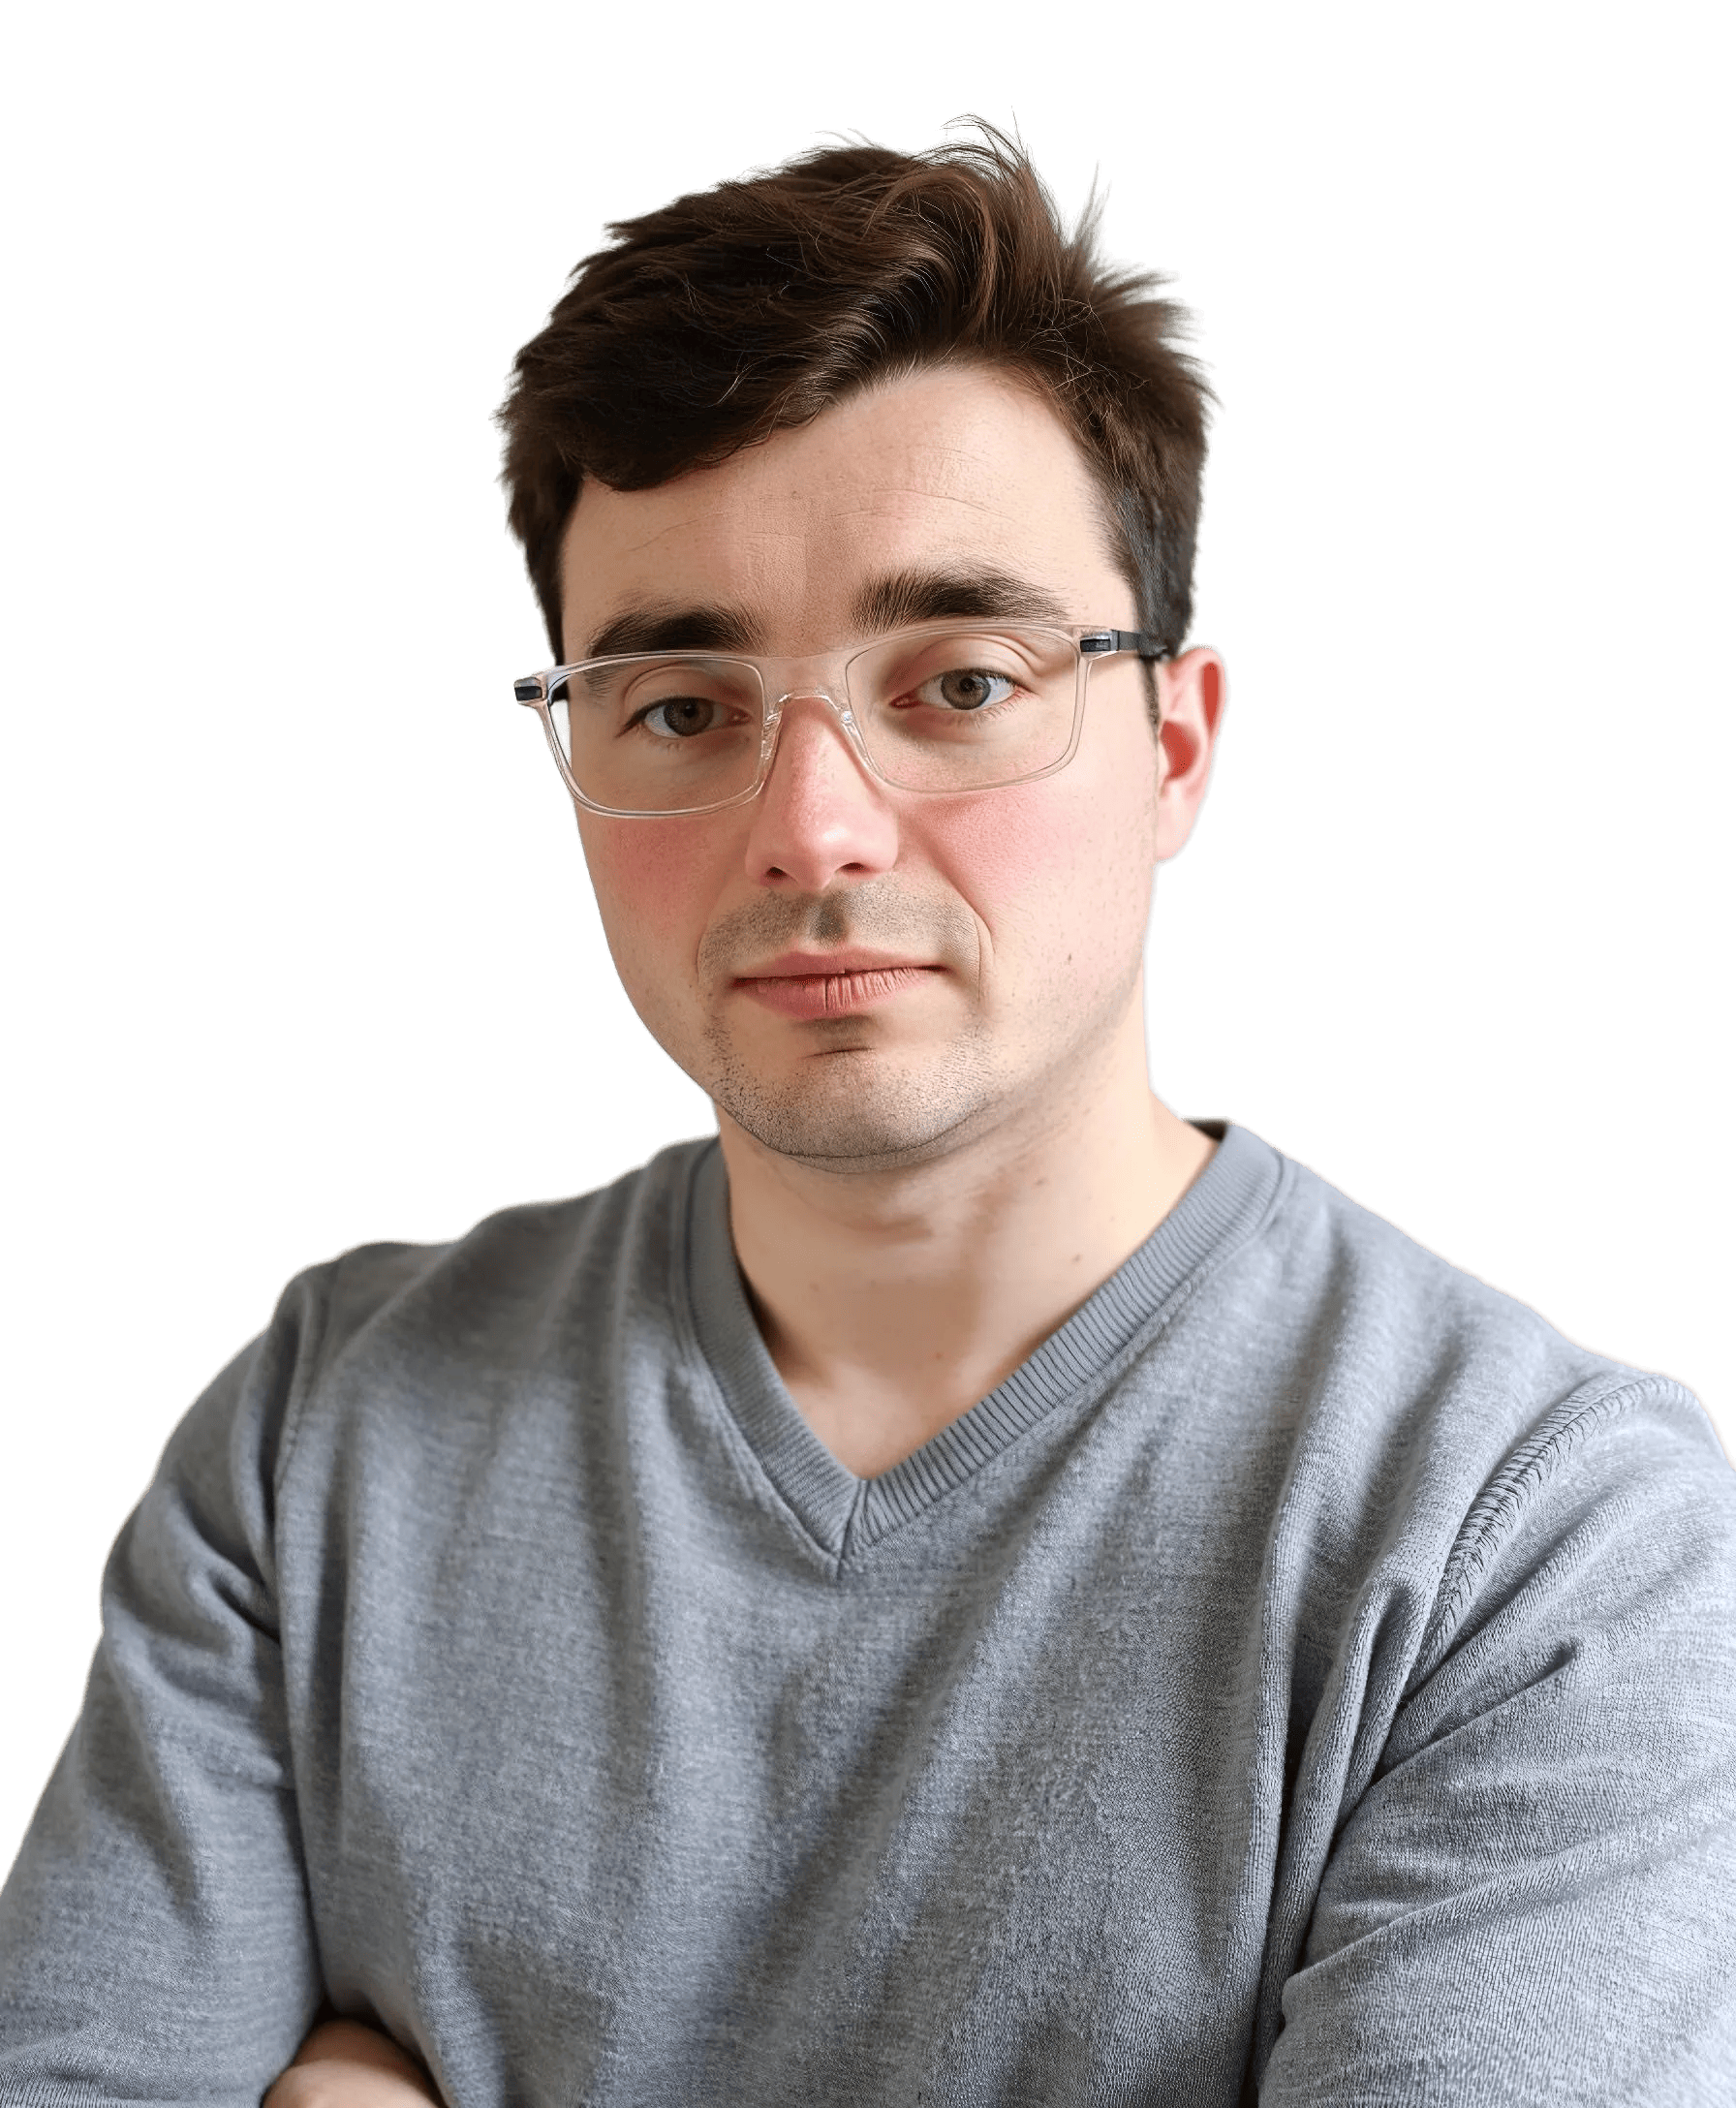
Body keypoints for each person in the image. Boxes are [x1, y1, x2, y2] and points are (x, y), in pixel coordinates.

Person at [2, 119, 1732, 2108]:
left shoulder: (1535, 1537)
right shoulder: (321, 1434)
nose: (809, 823)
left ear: (1173, 744)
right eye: (679, 705)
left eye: (960, 681)